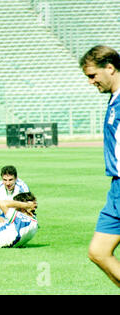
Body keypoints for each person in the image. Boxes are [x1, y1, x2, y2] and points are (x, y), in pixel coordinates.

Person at [80, 45, 120, 287]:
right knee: (98, 252)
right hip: (116, 188)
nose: (90, 82)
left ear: (110, 67)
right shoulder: (114, 100)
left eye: (92, 76)